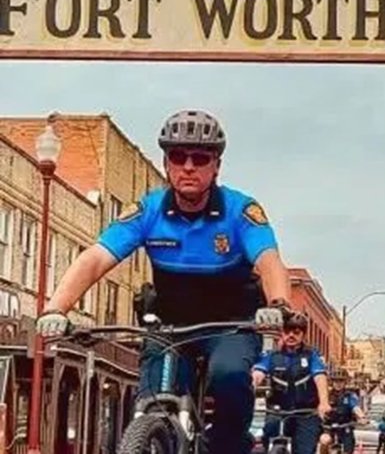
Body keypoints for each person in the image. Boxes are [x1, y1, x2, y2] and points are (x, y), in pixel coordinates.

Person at [35, 109, 291, 454]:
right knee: (151, 400)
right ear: (167, 163)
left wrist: (278, 305)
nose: (188, 166)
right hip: (170, 324)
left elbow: (270, 261)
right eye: (178, 156)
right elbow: (95, 259)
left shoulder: (240, 210)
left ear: (216, 166)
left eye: (200, 158)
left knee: (229, 376)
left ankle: (225, 445)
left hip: (230, 326)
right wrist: (56, 308)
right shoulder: (148, 211)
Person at [252, 312, 331, 454]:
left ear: (303, 335)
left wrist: (324, 402)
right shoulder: (272, 356)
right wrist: (248, 389)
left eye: (296, 332)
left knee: (305, 449)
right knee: (264, 441)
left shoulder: (312, 355)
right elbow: (258, 374)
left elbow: (320, 377)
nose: (291, 336)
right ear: (282, 333)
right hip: (277, 411)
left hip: (306, 413)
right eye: (287, 331)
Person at [320, 369, 366, 454]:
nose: (338, 384)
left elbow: (355, 407)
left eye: (341, 381)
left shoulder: (349, 395)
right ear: (332, 382)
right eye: (336, 381)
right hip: (329, 427)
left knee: (348, 447)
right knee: (324, 440)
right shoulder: (326, 395)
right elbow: (320, 408)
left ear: (345, 382)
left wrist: (362, 417)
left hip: (345, 427)